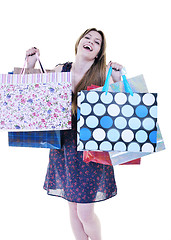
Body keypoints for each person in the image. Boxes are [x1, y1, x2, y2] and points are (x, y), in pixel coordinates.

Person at [26, 28, 123, 240]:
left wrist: (117, 80)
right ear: (79, 42)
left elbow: (120, 106)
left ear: (98, 52)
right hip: (64, 146)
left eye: (96, 42)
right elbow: (37, 94)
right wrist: (31, 65)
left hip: (91, 149)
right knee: (72, 207)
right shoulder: (62, 69)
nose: (90, 42)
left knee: (84, 211)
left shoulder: (103, 73)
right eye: (87, 37)